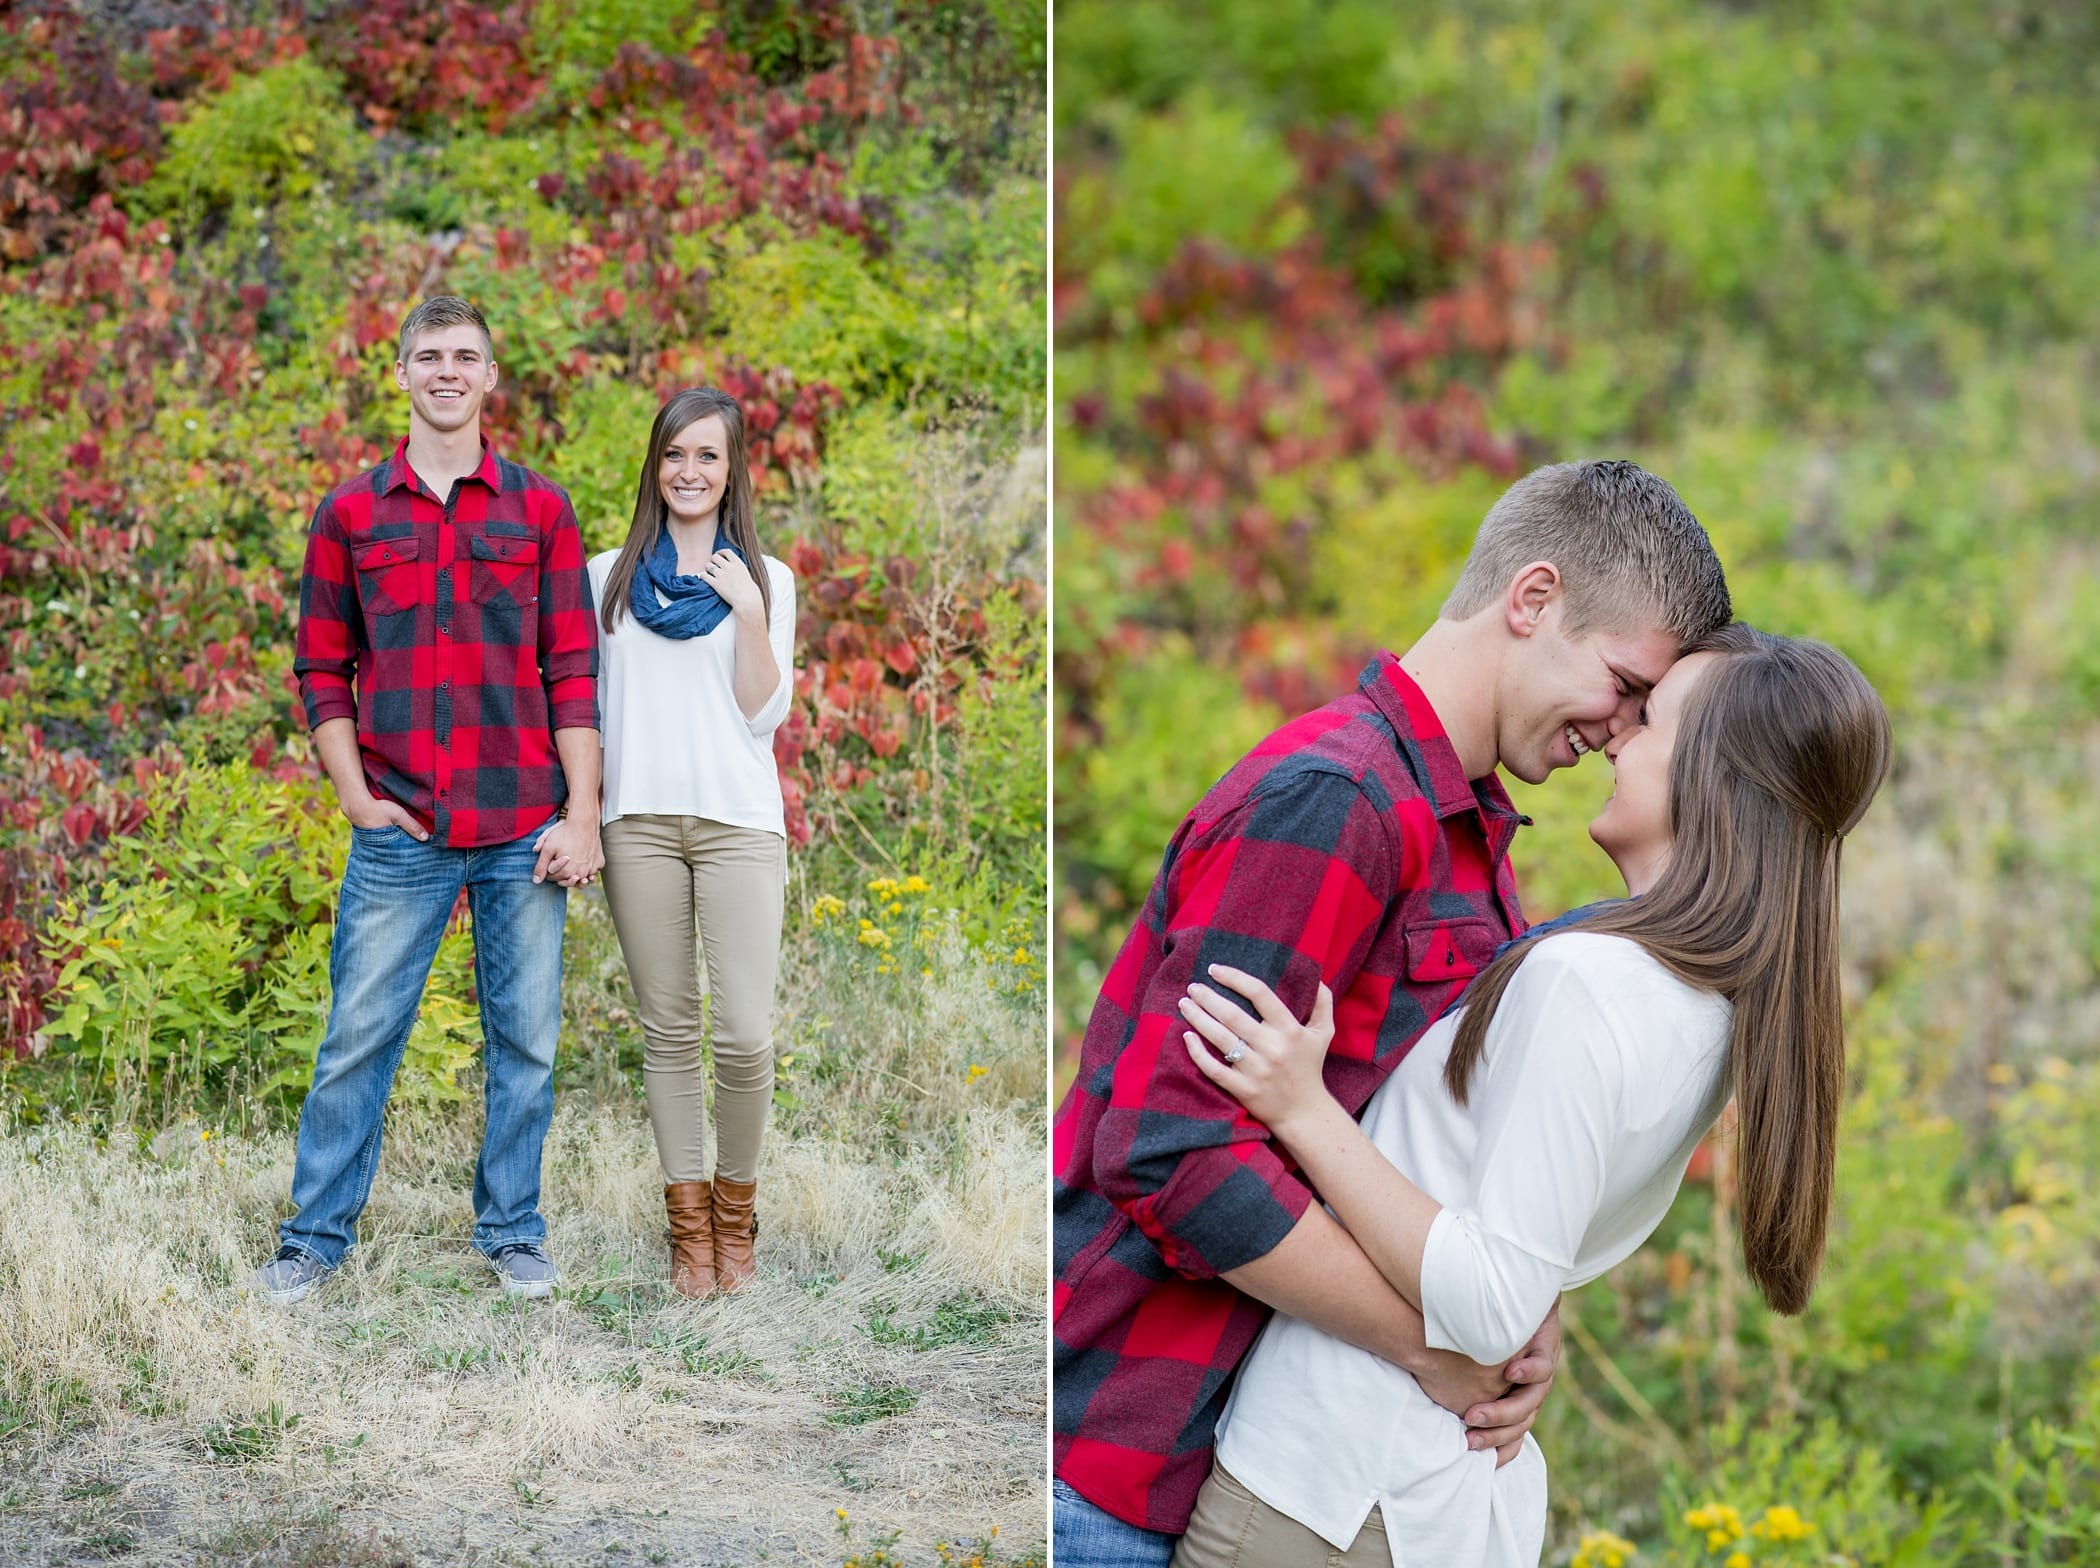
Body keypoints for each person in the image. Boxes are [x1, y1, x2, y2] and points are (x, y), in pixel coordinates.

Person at [1052, 460, 1734, 1565]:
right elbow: (1169, 1146)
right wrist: (1431, 1342)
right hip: (1114, 1460)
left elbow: (1415, 1150)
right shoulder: (1339, 799)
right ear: (1532, 599)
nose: (1621, 731)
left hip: (1235, 1443)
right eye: (1622, 683)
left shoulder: (1467, 834)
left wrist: (1508, 1311)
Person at [1169, 626, 1891, 1566]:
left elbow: (1490, 1298)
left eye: (1654, 721)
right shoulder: (1708, 1008)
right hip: (1426, 1500)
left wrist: (1301, 1112)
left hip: (1338, 1489)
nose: (1620, 738)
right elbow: (1521, 1251)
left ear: (1716, 783)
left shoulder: (1589, 985)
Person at [253, 295, 602, 1305]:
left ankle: (513, 1229)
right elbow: (320, 666)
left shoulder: (540, 510)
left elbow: (571, 669)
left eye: (466, 357)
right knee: (358, 1035)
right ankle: (313, 1238)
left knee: (527, 1039)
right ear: (401, 372)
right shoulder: (351, 513)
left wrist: (581, 814)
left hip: (522, 824)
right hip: (401, 823)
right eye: (429, 356)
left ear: (491, 378)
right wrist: (356, 795)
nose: (448, 371)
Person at [586, 386, 796, 1298]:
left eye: (707, 456)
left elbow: (765, 712)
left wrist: (748, 614)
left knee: (746, 1035)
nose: (690, 471)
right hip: (637, 820)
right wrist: (581, 811)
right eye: (675, 454)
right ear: (654, 465)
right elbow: (585, 711)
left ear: (732, 468)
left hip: (739, 824)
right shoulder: (607, 577)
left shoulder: (768, 579)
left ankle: (737, 1221)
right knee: (668, 1032)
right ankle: (689, 1238)